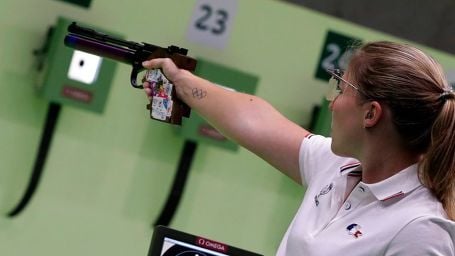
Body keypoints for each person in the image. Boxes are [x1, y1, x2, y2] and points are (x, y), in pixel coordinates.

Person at [142, 41, 455, 255]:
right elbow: (254, 120)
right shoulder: (336, 165)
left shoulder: (420, 228)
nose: (333, 103)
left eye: (342, 89)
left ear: (371, 114)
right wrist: (180, 80)